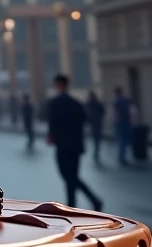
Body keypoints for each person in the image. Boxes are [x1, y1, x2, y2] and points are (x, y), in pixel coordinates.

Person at [46, 74, 102, 210]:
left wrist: (51, 135)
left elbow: (53, 123)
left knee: (67, 175)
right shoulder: (76, 103)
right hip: (76, 145)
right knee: (73, 176)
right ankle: (73, 204)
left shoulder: (55, 103)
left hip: (63, 145)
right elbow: (84, 121)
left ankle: (90, 200)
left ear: (58, 85)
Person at [112, 87, 132, 165]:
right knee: (123, 140)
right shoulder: (126, 100)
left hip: (120, 123)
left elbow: (116, 113)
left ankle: (121, 157)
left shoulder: (117, 101)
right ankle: (122, 157)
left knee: (121, 140)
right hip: (125, 122)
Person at [85, 91, 106, 164]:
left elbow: (86, 114)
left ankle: (95, 152)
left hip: (93, 124)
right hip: (97, 123)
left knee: (95, 139)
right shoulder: (97, 103)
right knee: (97, 139)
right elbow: (103, 112)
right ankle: (96, 152)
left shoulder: (88, 104)